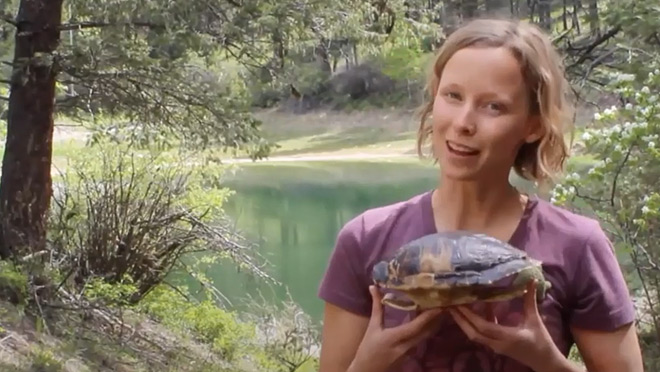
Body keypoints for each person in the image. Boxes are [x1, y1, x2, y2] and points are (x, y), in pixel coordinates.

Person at [316, 18, 644, 372]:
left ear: (533, 126)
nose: (463, 123)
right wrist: (367, 364)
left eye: (493, 107)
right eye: (453, 96)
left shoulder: (577, 246)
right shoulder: (366, 239)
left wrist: (547, 362)